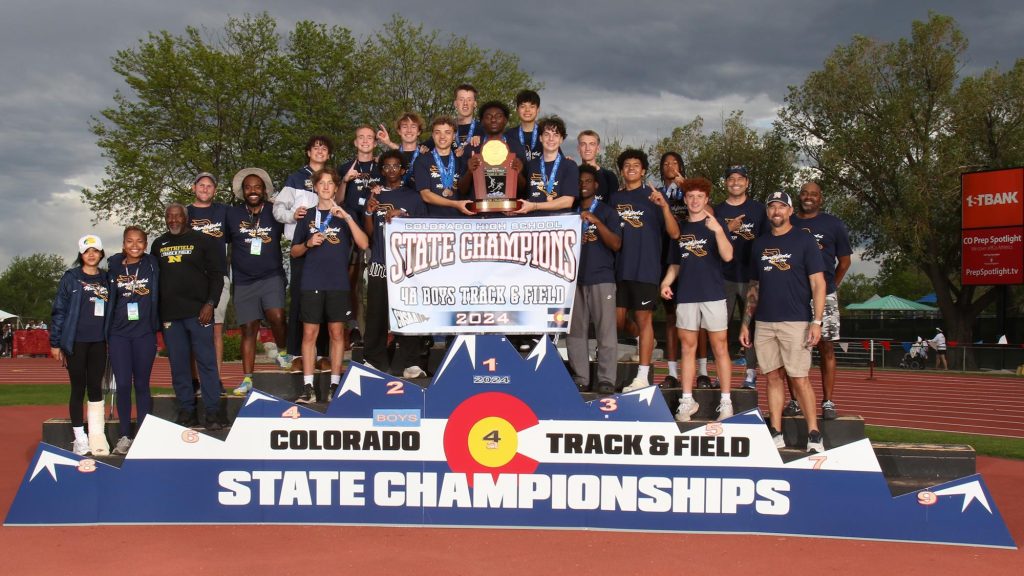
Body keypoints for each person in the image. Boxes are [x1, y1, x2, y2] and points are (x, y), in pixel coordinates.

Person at [739, 191, 826, 453]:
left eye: (781, 207)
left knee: (799, 378)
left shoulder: (804, 240)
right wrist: (746, 322)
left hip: (796, 321)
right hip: (764, 322)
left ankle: (814, 433)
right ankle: (775, 431)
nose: (776, 211)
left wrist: (817, 321)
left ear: (790, 211)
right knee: (773, 377)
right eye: (772, 207)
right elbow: (754, 287)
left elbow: (818, 283)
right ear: (768, 213)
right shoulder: (759, 244)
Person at [290, 168, 370, 402]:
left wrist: (345, 216)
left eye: (330, 183)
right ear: (315, 187)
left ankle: (335, 385)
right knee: (309, 334)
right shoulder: (306, 215)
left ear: (336, 187)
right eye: (321, 183)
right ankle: (308, 388)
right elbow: (294, 252)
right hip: (311, 282)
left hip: (338, 283)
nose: (325, 187)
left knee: (337, 334)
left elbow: (364, 244)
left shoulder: (346, 214)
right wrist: (308, 242)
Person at [660, 178, 734, 421]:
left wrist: (720, 231)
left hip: (713, 294)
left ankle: (725, 401)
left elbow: (728, 256)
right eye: (690, 196)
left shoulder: (715, 224)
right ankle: (687, 399)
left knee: (720, 347)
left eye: (699, 197)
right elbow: (675, 264)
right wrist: (666, 281)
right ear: (685, 199)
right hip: (687, 296)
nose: (694, 201)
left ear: (706, 199)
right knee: (687, 348)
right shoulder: (680, 230)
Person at [152, 203, 226, 429]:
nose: (173, 220)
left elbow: (217, 276)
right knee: (179, 366)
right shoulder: (158, 244)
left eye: (177, 216)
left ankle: (213, 413)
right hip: (171, 316)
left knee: (207, 364)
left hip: (199, 314)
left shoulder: (203, 241)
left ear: (186, 218)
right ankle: (187, 411)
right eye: (169, 216)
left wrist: (210, 304)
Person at [613, 149, 680, 392]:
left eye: (636, 165)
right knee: (617, 321)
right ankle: (644, 341)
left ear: (643, 171)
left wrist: (663, 207)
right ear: (622, 171)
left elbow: (675, 233)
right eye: (626, 164)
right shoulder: (614, 198)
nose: (631, 167)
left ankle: (642, 376)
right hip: (619, 268)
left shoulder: (656, 196)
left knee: (644, 318)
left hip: (646, 268)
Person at [362, 150, 428, 377]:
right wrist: (370, 213)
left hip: (405, 266)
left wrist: (404, 215)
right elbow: (370, 235)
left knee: (408, 312)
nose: (391, 170)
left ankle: (411, 361)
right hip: (380, 262)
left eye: (395, 166)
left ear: (403, 170)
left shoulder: (413, 197)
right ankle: (374, 360)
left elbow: (423, 230)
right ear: (381, 170)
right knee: (376, 314)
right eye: (386, 166)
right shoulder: (375, 196)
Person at [791, 181, 852, 419]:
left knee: (826, 347)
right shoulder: (790, 221)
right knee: (793, 348)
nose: (809, 197)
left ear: (821, 198)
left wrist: (830, 286)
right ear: (799, 196)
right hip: (794, 294)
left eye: (814, 194)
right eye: (805, 193)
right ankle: (794, 401)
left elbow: (844, 262)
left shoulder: (833, 224)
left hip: (823, 295)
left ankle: (828, 401)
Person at [273, 135, 333, 367]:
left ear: (328, 155)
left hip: (327, 248)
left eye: (324, 148)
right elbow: (278, 208)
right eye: (315, 147)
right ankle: (297, 353)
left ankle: (323, 354)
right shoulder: (296, 178)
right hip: (301, 248)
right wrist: (291, 215)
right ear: (308, 152)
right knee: (299, 300)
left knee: (328, 300)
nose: (319, 151)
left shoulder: (331, 177)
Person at [228, 168, 288, 396]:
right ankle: (248, 379)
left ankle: (282, 353)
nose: (253, 191)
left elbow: (294, 223)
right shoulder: (232, 214)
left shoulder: (274, 212)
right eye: (248, 187)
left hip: (271, 276)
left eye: (257, 187)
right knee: (248, 329)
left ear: (264, 190)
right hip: (243, 281)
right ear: (242, 192)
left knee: (277, 316)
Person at [50, 234, 110, 456]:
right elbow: (59, 311)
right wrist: (55, 342)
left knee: (96, 386)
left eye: (95, 250)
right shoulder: (71, 278)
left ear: (101, 253)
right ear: (81, 254)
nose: (91, 254)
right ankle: (80, 438)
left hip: (98, 342)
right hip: (75, 342)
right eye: (87, 251)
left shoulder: (106, 278)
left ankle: (96, 435)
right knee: (78, 388)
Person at [566, 164, 621, 394]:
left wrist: (596, 222)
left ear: (596, 185)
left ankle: (607, 379)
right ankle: (581, 377)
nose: (583, 185)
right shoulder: (568, 213)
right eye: (579, 181)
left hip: (601, 277)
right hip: (574, 279)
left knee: (605, 331)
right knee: (576, 333)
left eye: (587, 181)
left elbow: (616, 244)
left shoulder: (607, 212)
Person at [105, 226, 159, 455]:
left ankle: (144, 434)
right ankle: (125, 436)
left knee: (142, 385)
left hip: (144, 333)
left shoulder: (152, 264)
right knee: (124, 385)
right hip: (119, 334)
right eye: (129, 241)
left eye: (139, 241)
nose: (134, 245)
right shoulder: (115, 266)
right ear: (123, 244)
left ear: (145, 245)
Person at [714, 165, 766, 389]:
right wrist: (728, 229)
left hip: (751, 278)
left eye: (740, 178)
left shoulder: (758, 210)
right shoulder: (717, 211)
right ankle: (720, 374)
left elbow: (766, 243)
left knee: (750, 327)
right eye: (731, 178)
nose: (735, 182)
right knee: (719, 328)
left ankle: (750, 373)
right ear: (725, 182)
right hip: (723, 277)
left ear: (747, 182)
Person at [187, 172, 230, 384]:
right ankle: (195, 379)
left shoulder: (223, 211)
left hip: (218, 277)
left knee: (215, 331)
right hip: (192, 278)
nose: (205, 188)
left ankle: (216, 380)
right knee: (193, 332)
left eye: (209, 186)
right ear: (194, 188)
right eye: (201, 185)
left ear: (215, 190)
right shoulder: (184, 213)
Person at [460, 100, 529, 204]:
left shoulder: (517, 147)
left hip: (507, 213)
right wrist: (470, 172)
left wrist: (517, 174)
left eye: (498, 116)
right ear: (482, 121)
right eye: (488, 117)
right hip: (479, 214)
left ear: (505, 120)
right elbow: (462, 190)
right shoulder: (472, 148)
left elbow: (524, 190)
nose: (493, 120)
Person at [657, 152, 687, 387]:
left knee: (693, 319)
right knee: (670, 318)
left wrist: (686, 188)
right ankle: (672, 372)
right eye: (666, 163)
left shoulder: (691, 191)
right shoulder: (656, 194)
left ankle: (703, 371)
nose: (670, 166)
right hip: (661, 257)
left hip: (688, 258)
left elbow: (709, 212)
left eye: (674, 163)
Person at [516, 115, 578, 215]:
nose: (551, 139)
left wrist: (534, 206)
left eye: (556, 135)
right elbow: (522, 195)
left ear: (561, 139)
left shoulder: (569, 166)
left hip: (560, 224)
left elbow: (567, 201)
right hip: (533, 223)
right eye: (547, 134)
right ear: (540, 138)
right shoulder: (530, 165)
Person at [416, 116, 473, 218]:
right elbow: (426, 195)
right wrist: (455, 204)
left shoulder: (461, 160)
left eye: (447, 132)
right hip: (432, 222)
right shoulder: (422, 160)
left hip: (460, 220)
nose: (442, 136)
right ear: (433, 135)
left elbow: (465, 190)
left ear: (454, 136)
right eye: (438, 132)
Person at [377, 112, 427, 189]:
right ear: (399, 131)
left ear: (419, 132)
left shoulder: (426, 155)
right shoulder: (389, 158)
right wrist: (388, 142)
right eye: (404, 126)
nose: (409, 130)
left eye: (413, 126)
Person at [577, 130, 618, 202]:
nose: (587, 148)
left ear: (598, 149)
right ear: (578, 149)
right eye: (583, 144)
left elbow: (613, 206)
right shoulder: (572, 174)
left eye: (592, 144)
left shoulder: (609, 176)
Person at [505, 89, 542, 163]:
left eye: (532, 106)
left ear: (538, 110)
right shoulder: (508, 135)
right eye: (523, 106)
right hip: (516, 174)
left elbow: (558, 160)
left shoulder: (546, 134)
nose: (527, 110)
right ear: (517, 110)